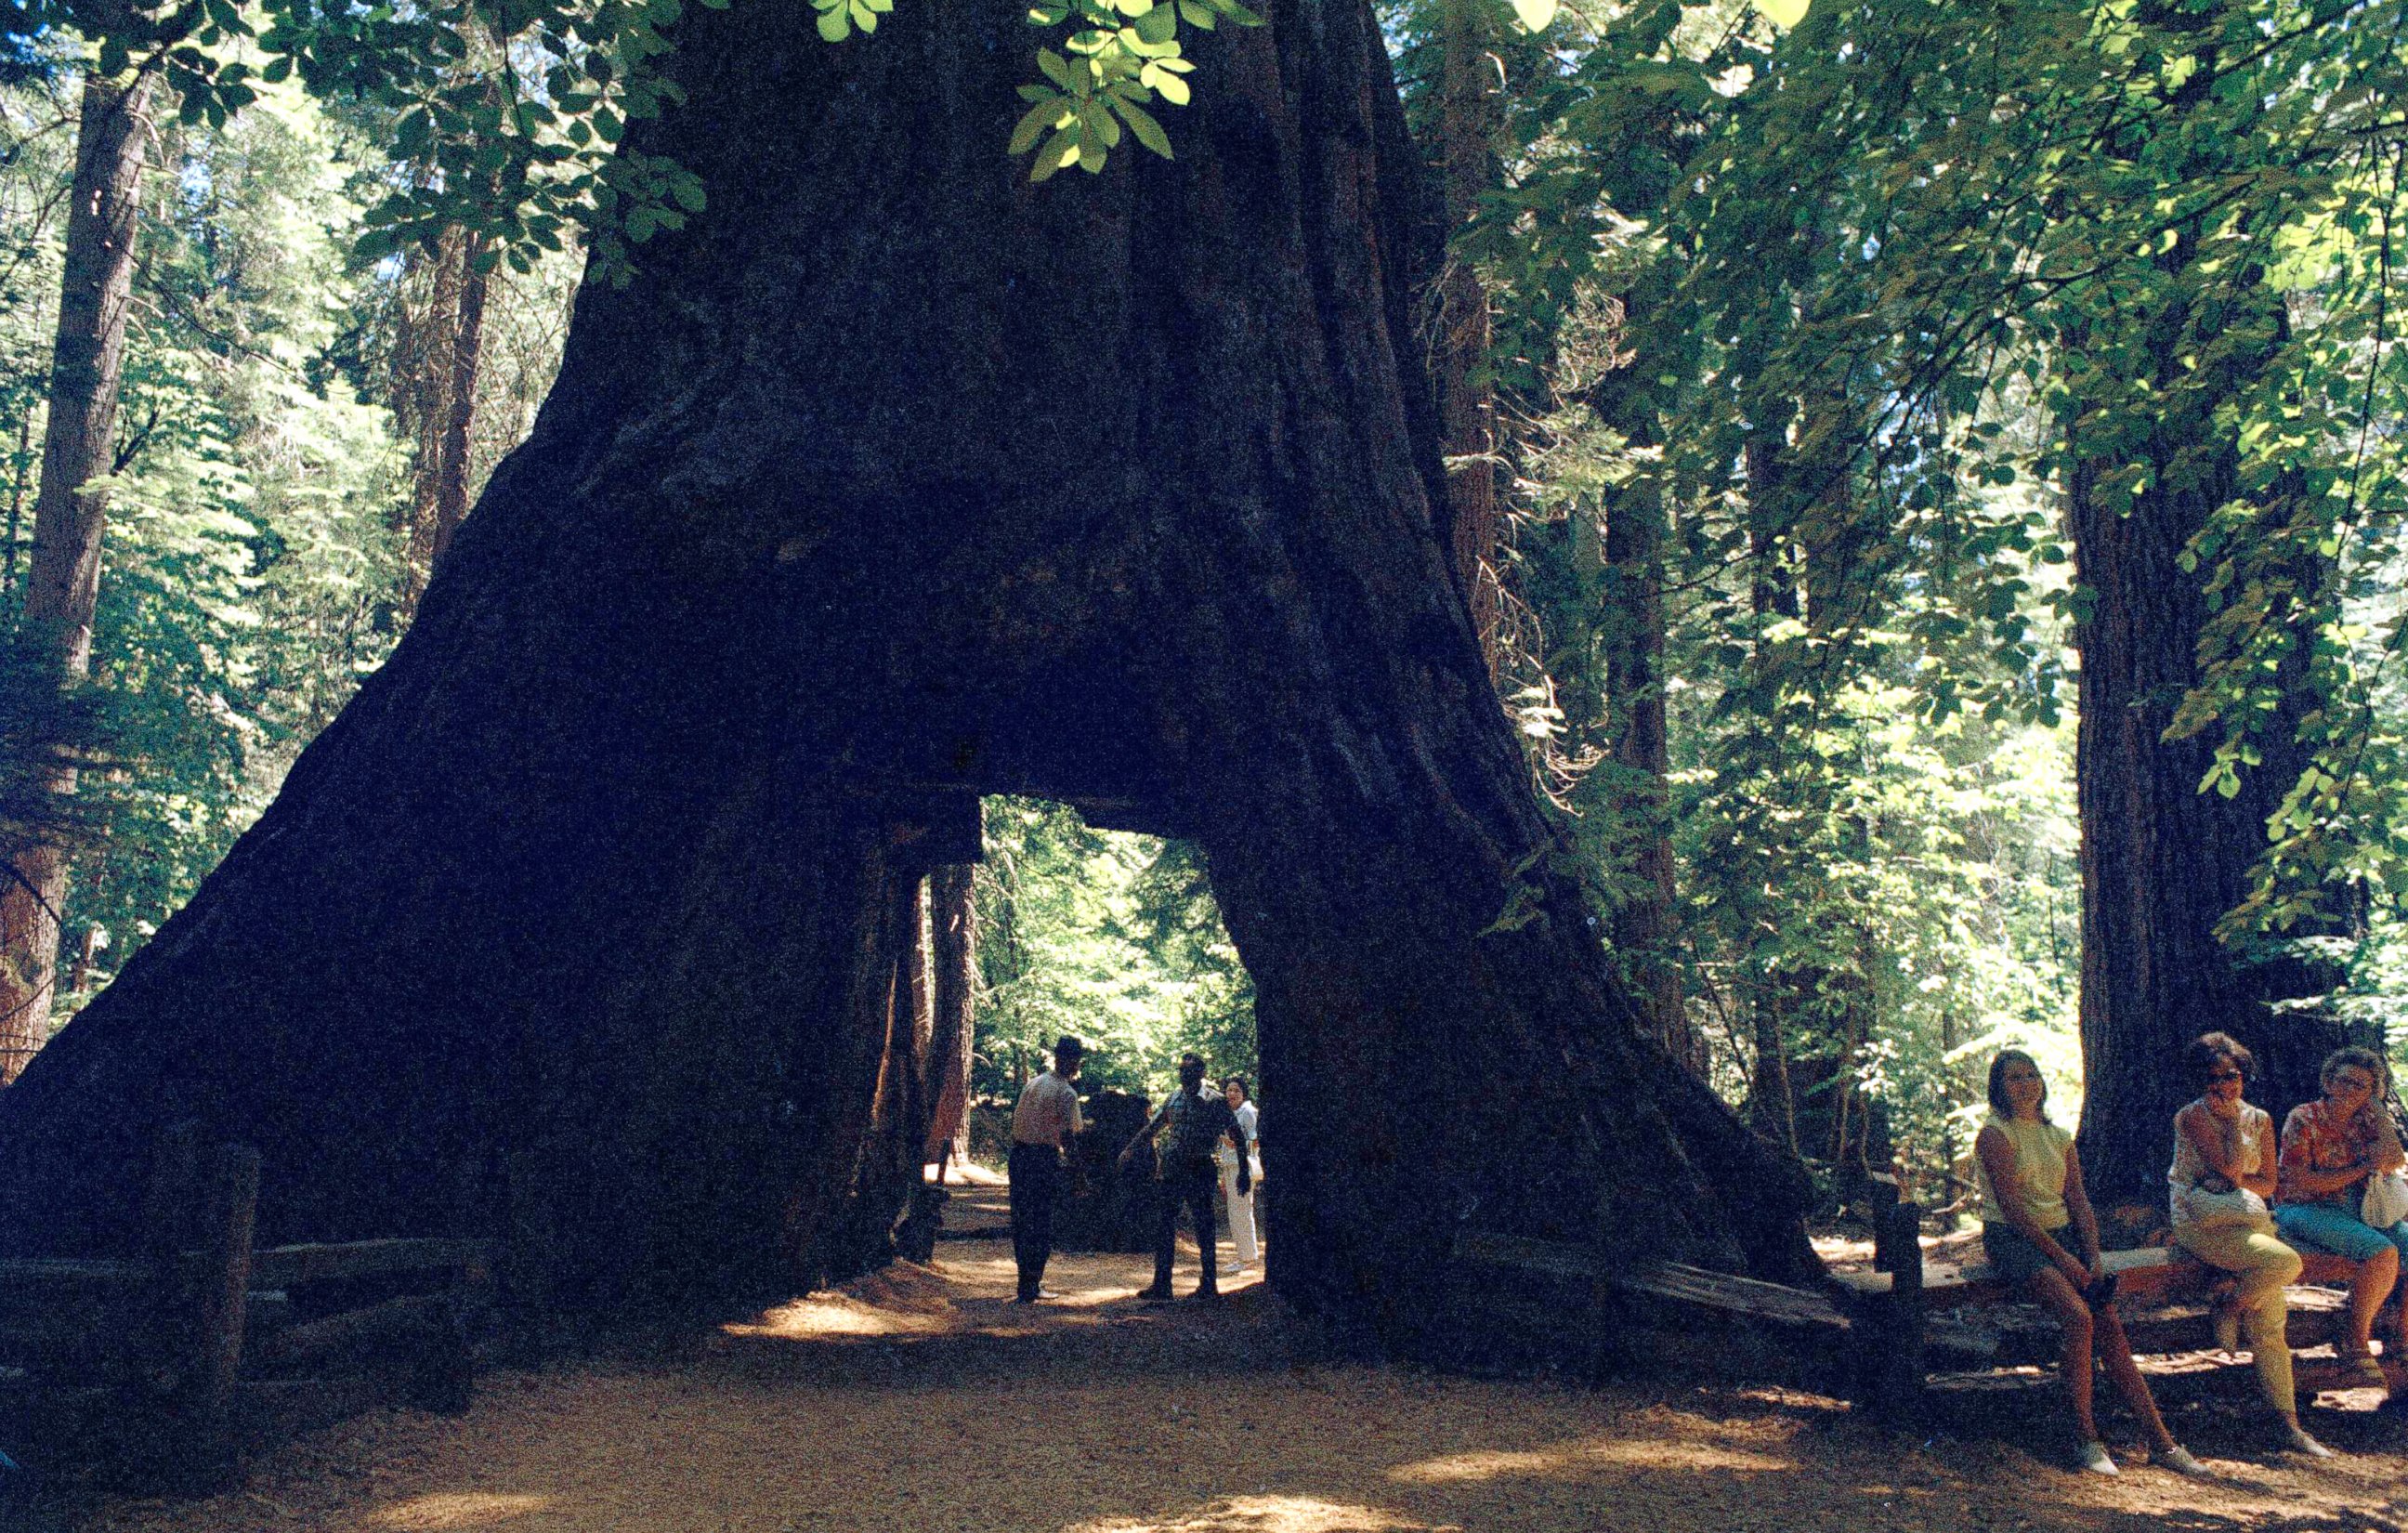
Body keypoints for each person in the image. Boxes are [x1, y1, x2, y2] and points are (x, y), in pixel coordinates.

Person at [1976, 1050, 2206, 1477]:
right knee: (2078, 1318)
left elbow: (2078, 1200)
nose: (2026, 1084)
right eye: (2014, 1079)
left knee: (2110, 1328)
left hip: (2063, 1238)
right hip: (2015, 1239)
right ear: (1999, 1087)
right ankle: (2085, 1437)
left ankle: (2162, 1442)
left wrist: (2093, 1254)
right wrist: (2063, 1258)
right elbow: (2011, 1208)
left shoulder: (2058, 1135)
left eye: (2032, 1075)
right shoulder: (1995, 1134)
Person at [2167, 1033, 2332, 1456]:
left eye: (2232, 1075)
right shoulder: (2194, 1116)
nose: (2224, 1085)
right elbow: (2230, 1168)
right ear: (2199, 1082)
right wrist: (2228, 1131)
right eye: (2213, 1078)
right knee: (2286, 1260)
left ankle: (2289, 1427)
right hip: (2200, 1221)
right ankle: (2231, 1305)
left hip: (2246, 1219)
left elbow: (2266, 1184)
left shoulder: (2259, 1118)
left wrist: (2234, 1178)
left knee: (2271, 1322)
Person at [2273, 1043, 2408, 1382]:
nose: (2349, 1090)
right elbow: (2301, 1180)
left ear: (2371, 1093)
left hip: (2355, 1209)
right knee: (2381, 1252)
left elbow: (2393, 1159)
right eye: (2344, 1081)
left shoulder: (2368, 1120)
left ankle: (2401, 1335)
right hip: (2302, 1206)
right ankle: (2355, 1342)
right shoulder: (2303, 1118)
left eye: (2360, 1086)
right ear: (2329, 1082)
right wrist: (2362, 1168)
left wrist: (2377, 1111)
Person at [1120, 1053, 1249, 1301]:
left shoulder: (1215, 1101)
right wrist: (1130, 1149)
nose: (1184, 1074)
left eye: (1189, 1070)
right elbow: (1153, 1127)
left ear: (1201, 1073)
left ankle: (1209, 1285)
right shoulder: (1174, 1099)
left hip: (1200, 1168)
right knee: (1165, 1224)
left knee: (1204, 1226)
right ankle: (1162, 1284)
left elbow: (1237, 1135)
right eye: (1181, 1070)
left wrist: (1243, 1170)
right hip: (1174, 1168)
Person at [1008, 1035, 1086, 1304]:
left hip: (1019, 1156)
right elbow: (1068, 1137)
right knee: (1041, 1221)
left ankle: (1025, 1281)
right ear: (1074, 1061)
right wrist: (1078, 1173)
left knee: (1022, 1219)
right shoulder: (1066, 1093)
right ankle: (1031, 1284)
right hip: (1042, 1159)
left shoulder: (1034, 1084)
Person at [1216, 1076, 1262, 1274]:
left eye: (1236, 1090)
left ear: (1244, 1093)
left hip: (1242, 1168)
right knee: (1235, 1213)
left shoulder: (1249, 1112)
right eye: (1229, 1090)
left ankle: (1247, 1258)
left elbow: (1256, 1140)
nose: (1232, 1094)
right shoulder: (1229, 1113)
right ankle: (1244, 1256)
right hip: (1230, 1167)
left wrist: (1237, 1144)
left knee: (1242, 1212)